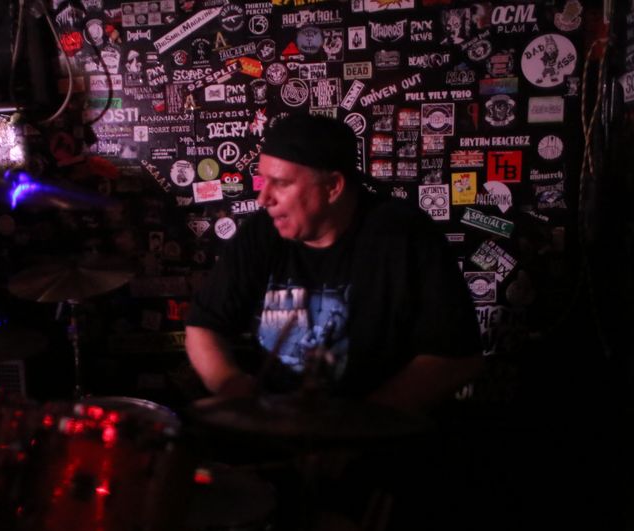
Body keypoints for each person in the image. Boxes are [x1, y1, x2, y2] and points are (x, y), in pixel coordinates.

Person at [185, 112, 483, 414]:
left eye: (281, 183)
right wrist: (231, 385)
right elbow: (203, 327)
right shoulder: (262, 232)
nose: (264, 198)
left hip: (379, 434)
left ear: (333, 187)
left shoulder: (405, 236)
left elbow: (457, 359)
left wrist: (360, 423)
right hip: (276, 429)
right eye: (264, 180)